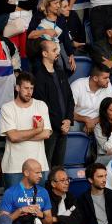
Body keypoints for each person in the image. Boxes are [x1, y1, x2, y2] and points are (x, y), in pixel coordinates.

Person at [0, 72, 52, 188]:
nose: (29, 92)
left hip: (39, 166)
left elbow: (46, 134)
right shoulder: (7, 108)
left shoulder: (41, 105)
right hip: (14, 167)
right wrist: (37, 130)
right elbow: (13, 137)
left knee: (38, 204)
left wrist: (20, 135)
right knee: (15, 205)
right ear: (17, 88)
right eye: (26, 88)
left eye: (31, 88)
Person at [33, 40, 74, 168]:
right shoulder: (38, 75)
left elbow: (70, 99)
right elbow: (42, 105)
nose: (58, 53)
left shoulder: (61, 73)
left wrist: (68, 120)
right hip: (49, 129)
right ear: (45, 53)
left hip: (63, 127)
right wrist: (59, 125)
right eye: (54, 50)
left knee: (59, 166)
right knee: (46, 165)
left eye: (57, 49)